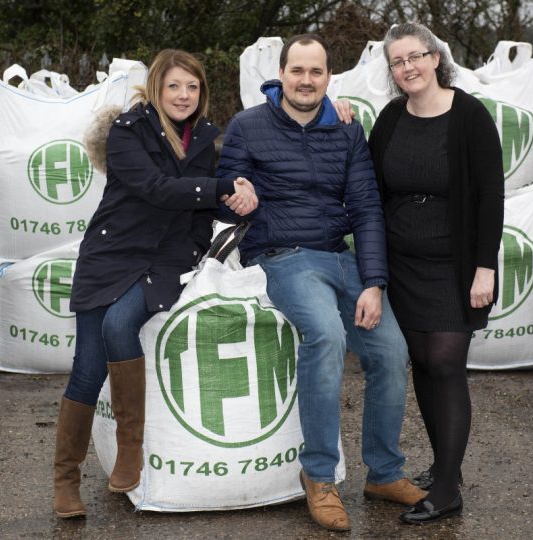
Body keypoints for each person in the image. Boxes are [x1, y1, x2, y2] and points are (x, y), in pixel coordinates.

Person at [217, 34, 426, 532]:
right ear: (282, 74)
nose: (306, 81)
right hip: (282, 255)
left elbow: (367, 208)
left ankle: (384, 471)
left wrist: (373, 281)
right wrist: (236, 193)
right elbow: (226, 183)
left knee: (391, 351)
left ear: (329, 78)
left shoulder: (347, 129)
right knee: (327, 336)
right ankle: (319, 477)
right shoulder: (248, 125)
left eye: (316, 72)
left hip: (340, 255)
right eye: (297, 71)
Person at [53, 49, 257, 519]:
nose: (184, 95)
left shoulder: (204, 137)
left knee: (120, 326)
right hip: (111, 256)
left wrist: (241, 200)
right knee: (87, 369)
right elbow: (157, 188)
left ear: (201, 94)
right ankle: (65, 481)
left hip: (164, 262)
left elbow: (200, 203)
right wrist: (222, 186)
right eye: (174, 86)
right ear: (156, 90)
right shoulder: (128, 131)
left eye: (192, 87)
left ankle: (130, 449)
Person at [367, 22, 505, 525]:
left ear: (435, 58)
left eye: (415, 57)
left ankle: (447, 489)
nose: (408, 68)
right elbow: (372, 186)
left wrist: (484, 267)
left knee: (446, 362)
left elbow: (491, 195)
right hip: (403, 262)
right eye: (398, 61)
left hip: (456, 263)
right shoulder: (389, 119)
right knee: (422, 362)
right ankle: (446, 466)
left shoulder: (469, 116)